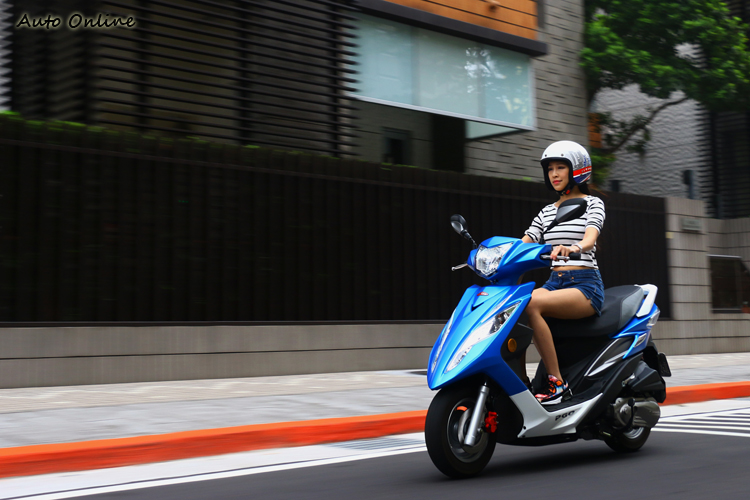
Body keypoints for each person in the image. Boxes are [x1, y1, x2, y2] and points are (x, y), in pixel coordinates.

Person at [520, 140, 605, 405]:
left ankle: (557, 383)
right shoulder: (547, 212)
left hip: (584, 285)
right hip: (554, 283)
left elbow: (590, 238)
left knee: (530, 304)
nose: (554, 174)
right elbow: (525, 242)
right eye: (550, 169)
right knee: (512, 306)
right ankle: (519, 382)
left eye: (560, 167)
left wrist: (574, 247)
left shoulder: (592, 204)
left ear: (576, 170)